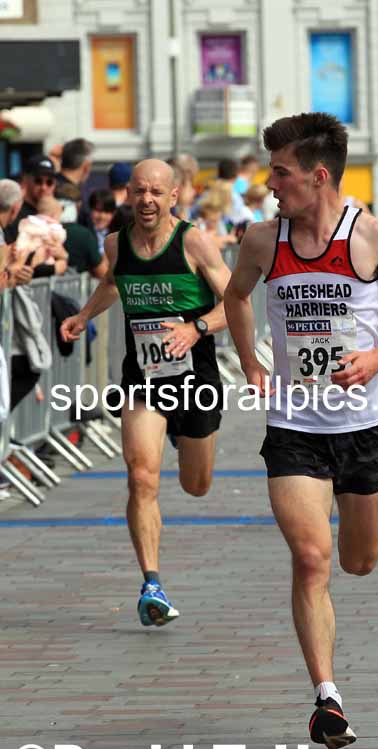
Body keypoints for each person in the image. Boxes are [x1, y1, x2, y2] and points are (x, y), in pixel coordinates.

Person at [224, 112, 378, 749]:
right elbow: (235, 298)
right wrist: (250, 363)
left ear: (318, 177)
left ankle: (349, 546)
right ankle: (327, 699)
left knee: (357, 561)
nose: (270, 182)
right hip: (294, 425)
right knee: (312, 558)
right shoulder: (263, 240)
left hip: (368, 425)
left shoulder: (373, 236)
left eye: (280, 172)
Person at [60, 159, 231, 628]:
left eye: (156, 192)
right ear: (128, 196)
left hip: (195, 376)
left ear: (173, 196)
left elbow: (234, 303)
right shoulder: (117, 245)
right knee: (140, 477)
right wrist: (83, 316)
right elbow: (113, 283)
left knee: (196, 485)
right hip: (144, 378)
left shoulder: (193, 241)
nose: (146, 200)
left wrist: (196, 328)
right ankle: (151, 583)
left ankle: (182, 435)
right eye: (139, 191)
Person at [3, 155, 57, 244]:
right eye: (38, 181)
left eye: (49, 182)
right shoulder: (15, 211)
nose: (44, 187)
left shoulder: (56, 211)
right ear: (25, 180)